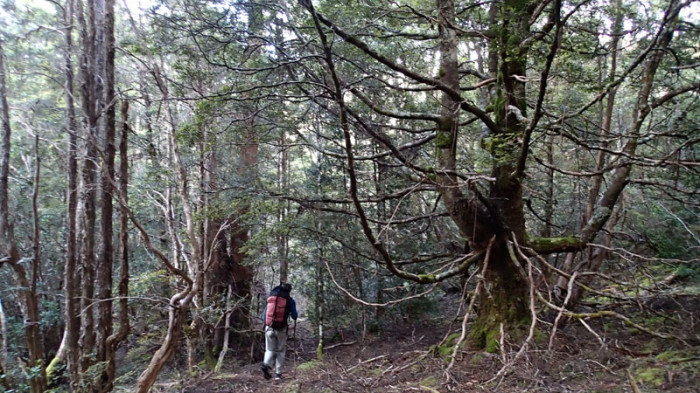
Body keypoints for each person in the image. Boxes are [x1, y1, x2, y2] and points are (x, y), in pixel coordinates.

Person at [261, 282, 298, 380]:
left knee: (269, 349)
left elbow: (263, 316)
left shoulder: (271, 299)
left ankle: (265, 364)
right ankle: (278, 374)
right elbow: (294, 316)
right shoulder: (290, 301)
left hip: (269, 327)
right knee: (280, 350)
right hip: (281, 329)